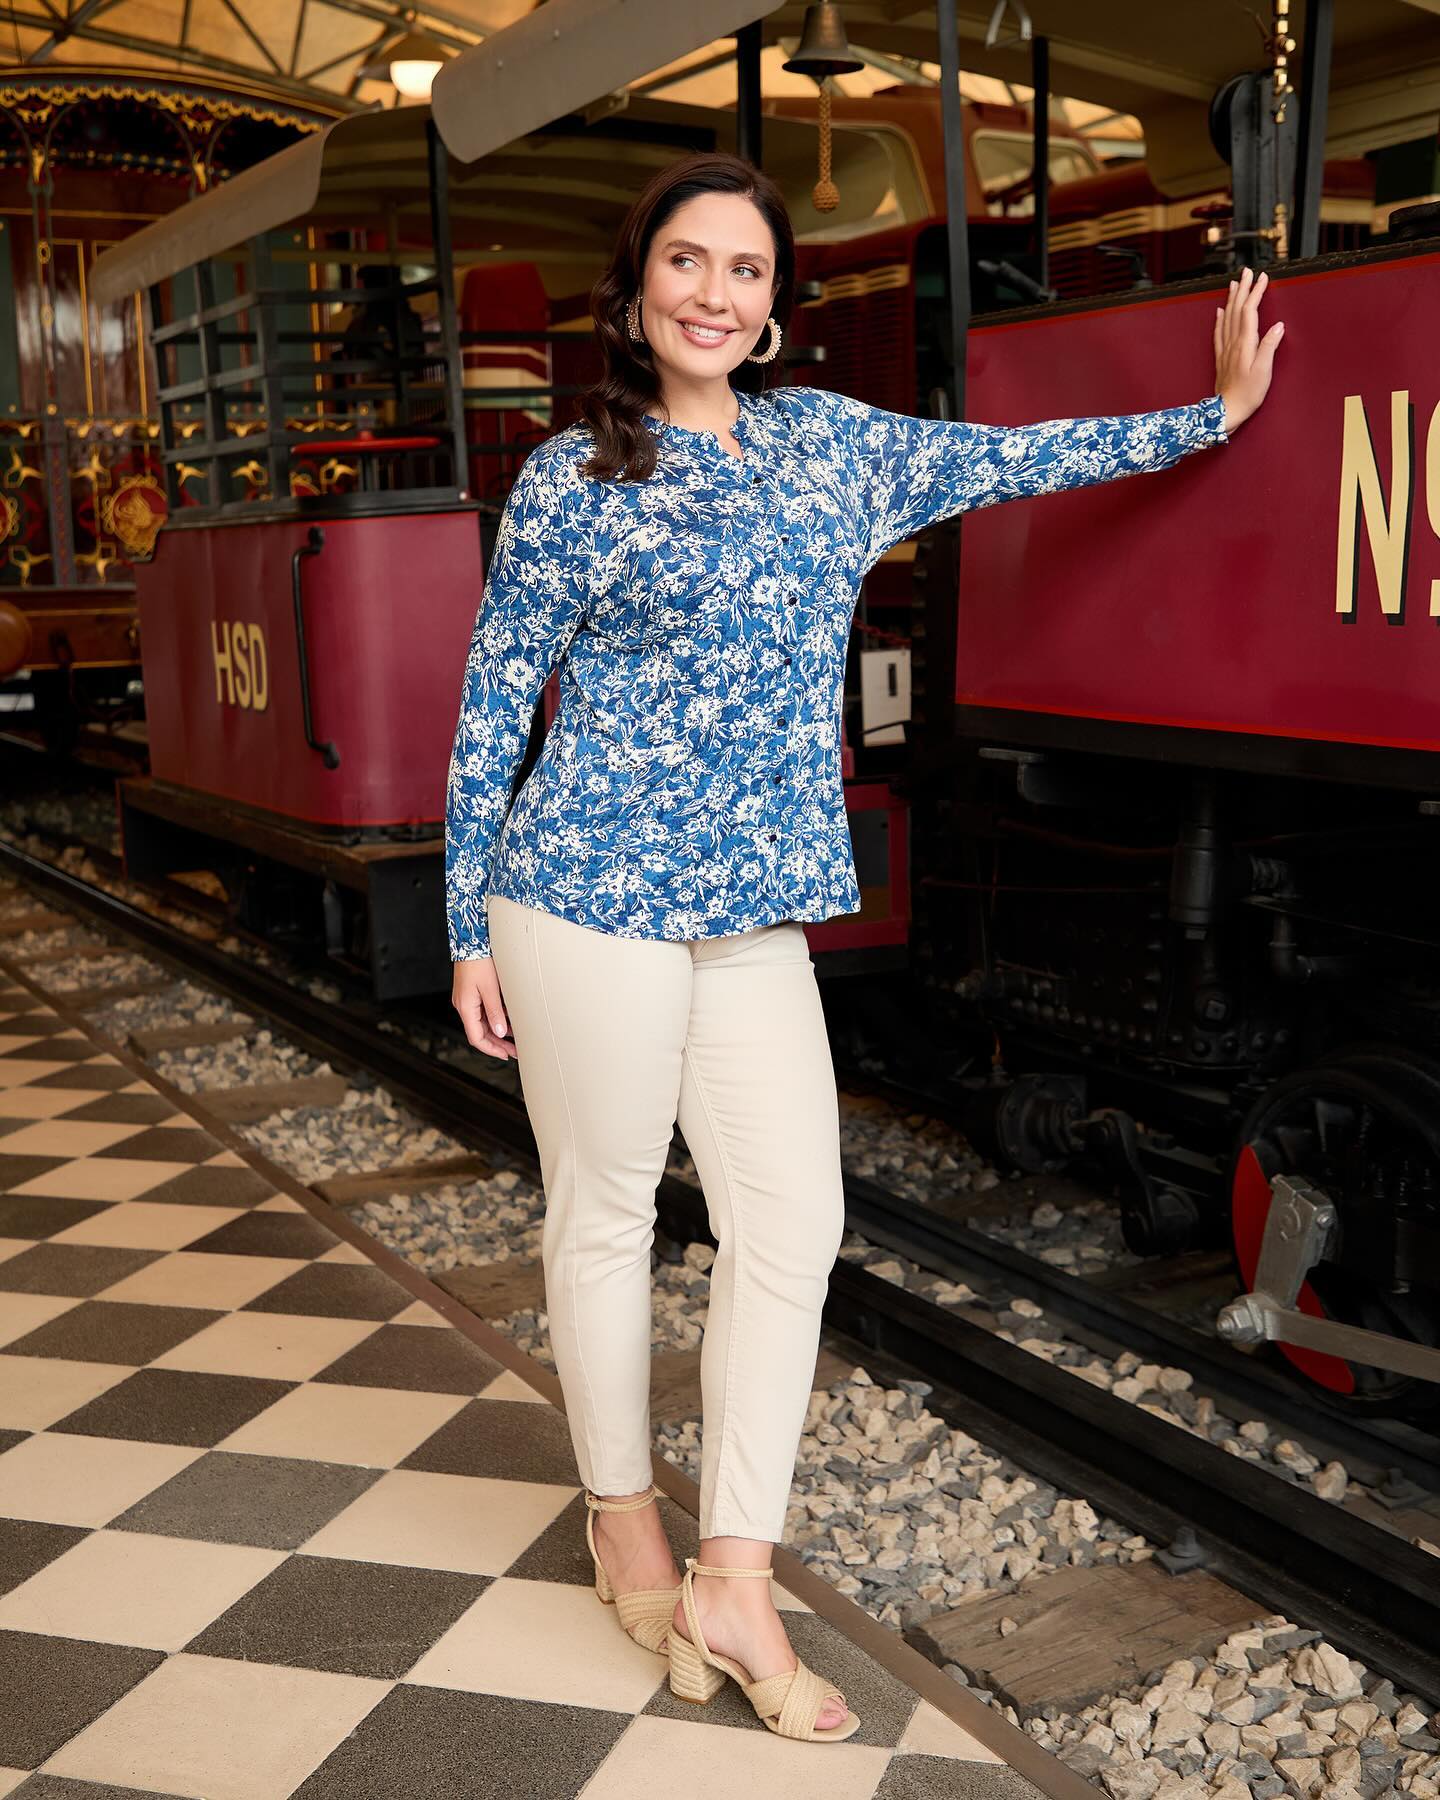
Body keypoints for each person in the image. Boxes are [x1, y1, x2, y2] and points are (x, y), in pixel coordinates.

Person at [444, 151, 1282, 1745]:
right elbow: (494, 701)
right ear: (637, 291)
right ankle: (622, 1517)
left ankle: (733, 1577)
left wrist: (1215, 416)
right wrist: (466, 918)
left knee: (793, 1222)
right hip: (585, 894)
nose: (713, 294)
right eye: (686, 262)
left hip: (748, 912)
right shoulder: (572, 478)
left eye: (745, 270)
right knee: (607, 1215)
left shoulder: (834, 447)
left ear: (771, 309)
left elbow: (1019, 459)